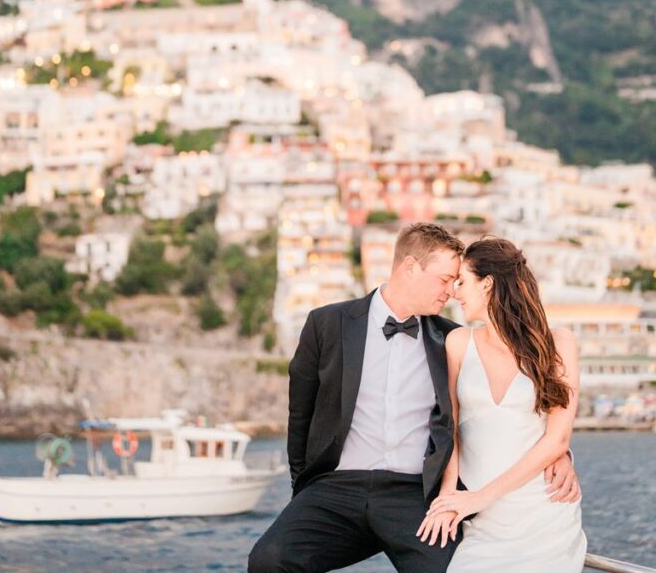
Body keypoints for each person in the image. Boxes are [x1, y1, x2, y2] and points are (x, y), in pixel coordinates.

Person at [248, 223, 580, 573]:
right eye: (444, 279)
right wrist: (303, 488)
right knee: (269, 560)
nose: (451, 292)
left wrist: (560, 454)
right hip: (336, 488)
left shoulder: (454, 340)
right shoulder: (327, 323)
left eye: (457, 281)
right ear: (410, 268)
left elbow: (501, 412)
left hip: (415, 493)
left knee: (452, 568)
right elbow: (300, 412)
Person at [418, 237, 587, 572]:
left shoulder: (558, 344)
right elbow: (449, 428)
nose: (454, 292)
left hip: (544, 514)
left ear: (488, 284)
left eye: (462, 282)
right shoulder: (457, 343)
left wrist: (479, 497)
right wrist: (450, 496)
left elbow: (557, 439)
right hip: (483, 523)